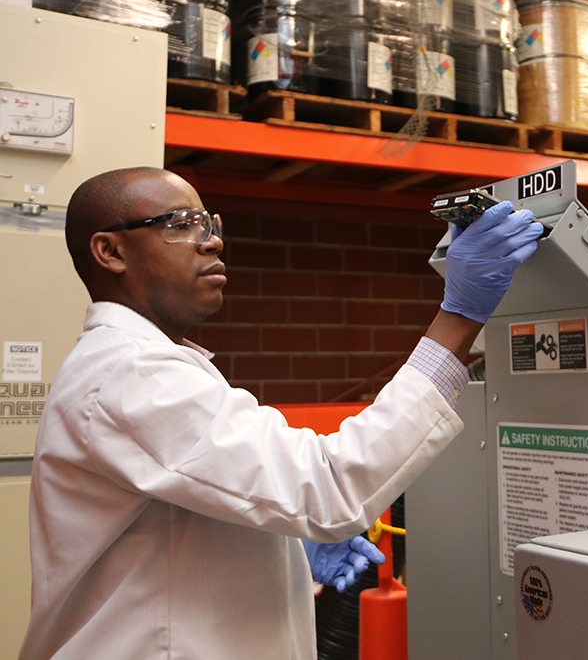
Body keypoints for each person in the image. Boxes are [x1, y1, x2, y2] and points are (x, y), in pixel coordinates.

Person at [19, 166, 542, 659]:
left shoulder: (150, 365)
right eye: (182, 225)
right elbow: (328, 486)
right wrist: (458, 318)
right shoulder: (129, 373)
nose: (213, 241)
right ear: (110, 251)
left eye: (211, 223)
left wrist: (283, 547)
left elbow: (185, 514)